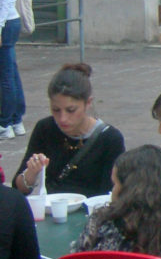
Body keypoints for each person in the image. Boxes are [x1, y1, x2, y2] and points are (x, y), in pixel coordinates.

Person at [12, 63, 125, 198]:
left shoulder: (109, 139)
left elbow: (111, 194)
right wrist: (30, 174)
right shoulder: (45, 128)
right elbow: (18, 189)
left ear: (88, 103)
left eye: (71, 110)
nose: (62, 118)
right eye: (56, 110)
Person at [0, 0, 23, 140]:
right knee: (11, 71)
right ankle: (16, 119)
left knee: (5, 74)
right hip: (9, 20)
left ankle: (5, 122)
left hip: (6, 22)